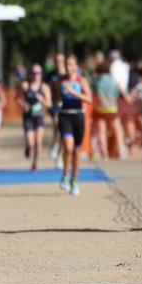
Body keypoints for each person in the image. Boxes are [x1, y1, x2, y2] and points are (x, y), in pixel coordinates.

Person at [55, 55, 92, 196]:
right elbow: (57, 97)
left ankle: (74, 181)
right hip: (64, 116)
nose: (69, 67)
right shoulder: (61, 81)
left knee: (76, 151)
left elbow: (89, 99)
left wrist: (74, 93)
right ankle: (65, 174)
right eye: (67, 65)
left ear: (76, 67)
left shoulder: (81, 81)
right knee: (68, 147)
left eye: (71, 65)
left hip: (78, 116)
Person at [18, 64, 51, 172]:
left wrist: (42, 101)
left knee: (38, 142)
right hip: (28, 118)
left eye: (38, 73)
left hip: (39, 117)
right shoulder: (25, 86)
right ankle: (28, 148)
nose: (36, 75)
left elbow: (49, 104)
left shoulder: (44, 87)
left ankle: (35, 163)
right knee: (31, 143)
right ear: (31, 74)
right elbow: (17, 99)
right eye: (34, 73)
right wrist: (24, 105)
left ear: (41, 74)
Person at [92, 60, 125, 160]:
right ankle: (121, 151)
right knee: (117, 129)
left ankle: (104, 153)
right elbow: (117, 94)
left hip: (100, 108)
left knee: (101, 130)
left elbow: (94, 94)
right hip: (112, 108)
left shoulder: (96, 82)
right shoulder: (113, 81)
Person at [47, 52, 67, 169]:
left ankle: (60, 154)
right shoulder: (51, 75)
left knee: (64, 131)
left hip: (67, 105)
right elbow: (46, 88)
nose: (59, 63)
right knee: (57, 124)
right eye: (57, 61)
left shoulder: (68, 74)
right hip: (56, 104)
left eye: (61, 61)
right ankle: (55, 144)